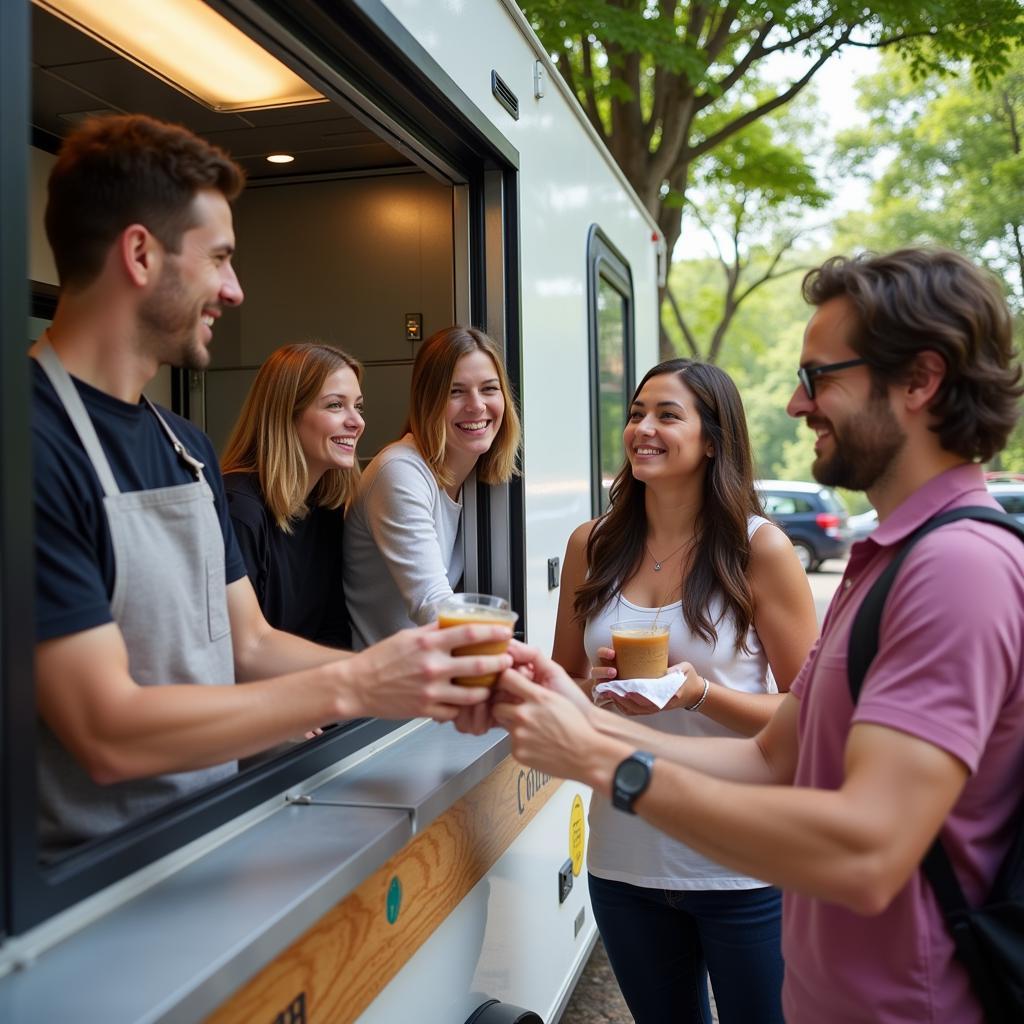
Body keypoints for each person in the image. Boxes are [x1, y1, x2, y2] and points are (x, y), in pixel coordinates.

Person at [493, 248, 1024, 1024]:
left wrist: (608, 758)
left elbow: (867, 853)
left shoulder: (957, 569)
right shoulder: (884, 561)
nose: (795, 405)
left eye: (818, 377)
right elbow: (777, 754)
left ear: (920, 380)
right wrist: (571, 718)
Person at [31, 113, 512, 859]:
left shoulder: (182, 446)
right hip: (90, 880)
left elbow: (249, 644)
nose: (236, 289)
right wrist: (355, 687)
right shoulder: (29, 442)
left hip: (209, 835)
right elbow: (106, 732)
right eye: (219, 258)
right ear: (139, 254)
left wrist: (425, 680)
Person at [551, 358, 817, 1024]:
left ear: (713, 439)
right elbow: (569, 682)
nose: (643, 427)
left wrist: (698, 693)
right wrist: (593, 688)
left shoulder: (762, 550)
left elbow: (809, 711)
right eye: (637, 413)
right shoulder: (594, 544)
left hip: (742, 863)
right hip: (624, 856)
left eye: (667, 415)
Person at [344, 325, 521, 648]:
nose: (477, 405)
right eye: (456, 391)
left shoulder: (475, 476)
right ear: (428, 401)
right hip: (384, 688)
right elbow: (433, 602)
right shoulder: (399, 471)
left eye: (489, 389)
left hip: (428, 677)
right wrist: (523, 661)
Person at [222, 342, 364, 648]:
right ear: (287, 413)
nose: (357, 421)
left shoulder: (327, 509)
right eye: (335, 405)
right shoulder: (238, 511)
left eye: (358, 406)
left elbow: (334, 631)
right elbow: (241, 655)